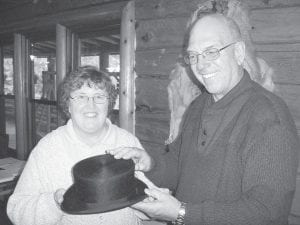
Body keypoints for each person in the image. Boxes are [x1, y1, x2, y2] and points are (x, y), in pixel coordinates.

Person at [108, 13, 300, 225]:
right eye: (193, 55)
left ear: (238, 52)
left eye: (211, 52)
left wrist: (182, 213)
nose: (200, 65)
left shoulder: (269, 116)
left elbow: (267, 213)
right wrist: (150, 163)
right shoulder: (198, 105)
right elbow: (178, 165)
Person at [7, 66, 144, 225]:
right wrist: (54, 202)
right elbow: (18, 211)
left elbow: (147, 201)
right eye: (80, 97)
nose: (90, 105)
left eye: (99, 96)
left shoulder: (128, 141)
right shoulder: (48, 148)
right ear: (68, 105)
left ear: (109, 103)